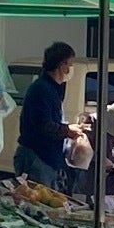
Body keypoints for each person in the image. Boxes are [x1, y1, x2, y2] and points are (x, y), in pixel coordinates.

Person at [16, 42, 80, 191]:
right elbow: (43, 125)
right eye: (70, 64)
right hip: (37, 157)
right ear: (62, 65)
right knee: (36, 200)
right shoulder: (41, 89)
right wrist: (67, 130)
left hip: (49, 159)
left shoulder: (53, 88)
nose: (71, 69)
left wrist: (67, 129)